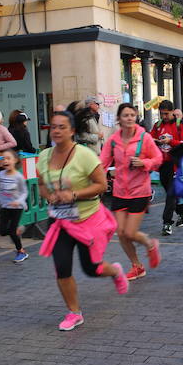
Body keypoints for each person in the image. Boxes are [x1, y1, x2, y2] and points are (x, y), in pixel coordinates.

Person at [38, 111, 128, 331]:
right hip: (60, 221)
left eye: (62, 127)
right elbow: (41, 183)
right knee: (62, 267)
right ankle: (74, 312)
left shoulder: (84, 155)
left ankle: (115, 271)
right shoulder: (44, 156)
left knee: (91, 269)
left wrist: (75, 195)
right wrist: (49, 195)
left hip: (87, 221)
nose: (57, 131)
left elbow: (101, 185)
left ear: (72, 131)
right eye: (54, 126)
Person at [101, 103, 162, 280]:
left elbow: (158, 158)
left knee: (130, 232)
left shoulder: (144, 137)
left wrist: (145, 163)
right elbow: (102, 162)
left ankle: (150, 244)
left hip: (139, 191)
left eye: (132, 115)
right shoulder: (113, 140)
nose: (129, 118)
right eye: (125, 115)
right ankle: (137, 266)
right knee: (120, 233)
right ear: (119, 118)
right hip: (120, 190)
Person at [151, 100, 183, 236]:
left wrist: (171, 142)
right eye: (161, 114)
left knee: (170, 196)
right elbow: (150, 140)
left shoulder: (180, 125)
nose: (164, 116)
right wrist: (154, 142)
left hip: (176, 165)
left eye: (166, 114)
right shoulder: (157, 126)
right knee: (171, 194)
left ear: (172, 112)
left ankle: (167, 223)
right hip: (163, 165)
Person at [0, 150, 29, 263]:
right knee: (1, 231)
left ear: (15, 160)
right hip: (5, 206)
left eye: (8, 158)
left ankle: (21, 251)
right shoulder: (0, 174)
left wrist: (19, 201)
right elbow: (1, 189)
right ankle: (18, 229)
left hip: (17, 207)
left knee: (11, 232)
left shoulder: (19, 176)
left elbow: (25, 192)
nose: (5, 161)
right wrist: (0, 200)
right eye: (3, 159)